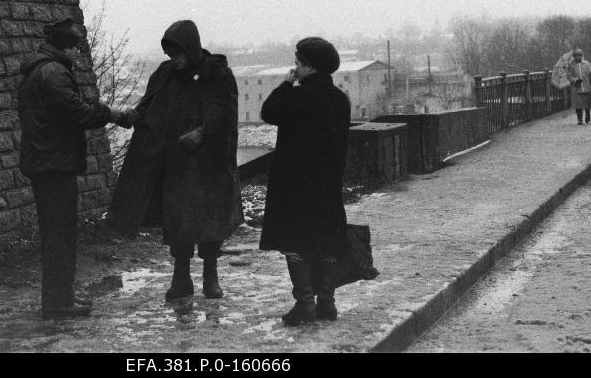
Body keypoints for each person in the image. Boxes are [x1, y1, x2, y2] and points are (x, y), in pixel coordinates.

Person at [109, 20, 243, 301]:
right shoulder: (165, 74)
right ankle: (181, 278)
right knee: (178, 222)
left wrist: (203, 132)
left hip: (208, 165)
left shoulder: (215, 73)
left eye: (179, 54)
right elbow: (150, 103)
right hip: (176, 163)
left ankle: (210, 277)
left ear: (191, 49)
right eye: (171, 54)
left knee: (209, 221)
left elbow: (227, 113)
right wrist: (135, 115)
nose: (175, 60)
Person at [17, 18, 129, 320]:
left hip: (46, 161)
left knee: (58, 233)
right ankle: (57, 303)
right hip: (54, 164)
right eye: (77, 49)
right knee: (60, 235)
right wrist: (111, 113)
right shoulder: (53, 72)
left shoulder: (39, 69)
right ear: (66, 46)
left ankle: (61, 294)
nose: (79, 55)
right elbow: (76, 112)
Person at [259, 37, 351, 326]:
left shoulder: (297, 96)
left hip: (295, 184)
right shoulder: (340, 99)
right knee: (325, 241)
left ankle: (305, 304)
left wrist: (286, 84)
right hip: (327, 182)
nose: (295, 68)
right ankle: (327, 303)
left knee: (296, 243)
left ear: (310, 66)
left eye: (298, 63)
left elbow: (268, 112)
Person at [567, 48, 591, 125]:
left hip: (586, 88)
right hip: (576, 89)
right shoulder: (571, 65)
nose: (578, 57)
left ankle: (587, 115)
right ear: (574, 56)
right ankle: (580, 119)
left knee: (587, 104)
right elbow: (569, 76)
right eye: (576, 56)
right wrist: (575, 80)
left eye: (579, 55)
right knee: (578, 105)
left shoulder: (587, 64)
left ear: (582, 56)